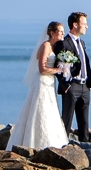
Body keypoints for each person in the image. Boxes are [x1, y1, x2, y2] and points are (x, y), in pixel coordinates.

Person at [7, 21, 69, 150]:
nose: (63, 33)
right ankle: (35, 142)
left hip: (50, 82)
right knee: (40, 109)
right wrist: (59, 70)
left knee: (50, 110)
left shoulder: (55, 47)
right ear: (52, 33)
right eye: (60, 31)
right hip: (42, 81)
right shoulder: (46, 46)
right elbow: (42, 69)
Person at [57, 11, 91, 143]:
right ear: (75, 25)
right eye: (84, 23)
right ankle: (62, 146)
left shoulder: (82, 43)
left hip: (85, 86)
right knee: (67, 120)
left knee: (84, 122)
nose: (87, 26)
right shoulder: (64, 43)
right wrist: (64, 85)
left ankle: (85, 149)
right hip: (71, 86)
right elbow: (59, 66)